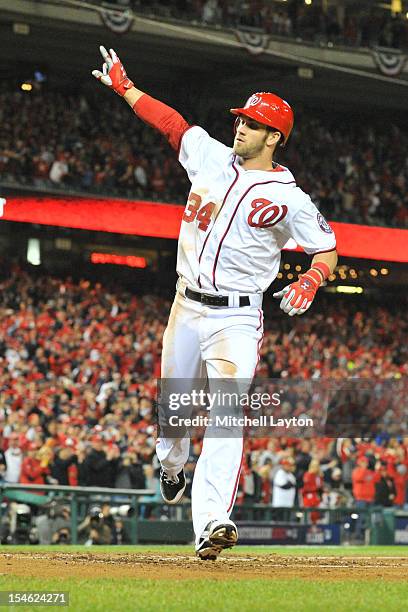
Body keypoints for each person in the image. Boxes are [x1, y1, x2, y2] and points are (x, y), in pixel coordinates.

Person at [92, 47, 338, 559]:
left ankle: (211, 523)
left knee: (228, 413)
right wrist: (126, 88)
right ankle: (171, 466)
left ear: (275, 138)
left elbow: (327, 248)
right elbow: (173, 125)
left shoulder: (290, 198)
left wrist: (312, 280)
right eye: (241, 120)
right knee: (174, 418)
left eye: (253, 124)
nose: (241, 128)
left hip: (238, 316)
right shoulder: (209, 156)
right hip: (186, 307)